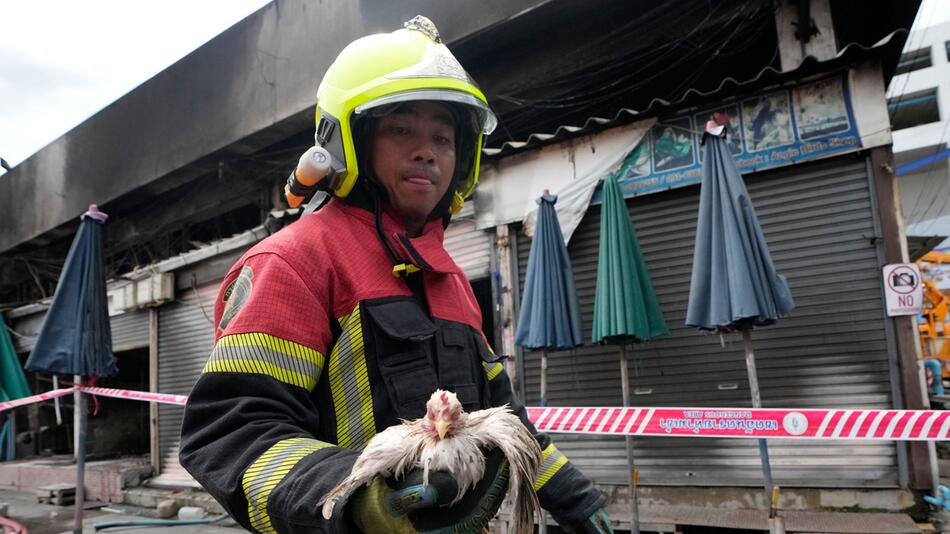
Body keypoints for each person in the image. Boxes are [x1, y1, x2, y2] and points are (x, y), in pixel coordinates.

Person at [180, 15, 613, 534]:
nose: (427, 150)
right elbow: (231, 433)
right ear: (349, 141)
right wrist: (356, 500)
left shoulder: (448, 276)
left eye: (444, 137)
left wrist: (575, 499)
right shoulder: (293, 264)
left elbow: (502, 414)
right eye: (401, 128)